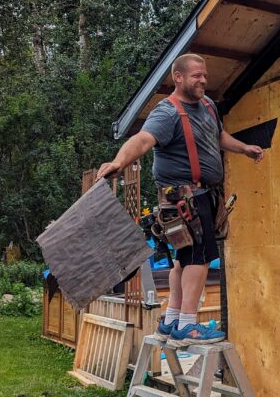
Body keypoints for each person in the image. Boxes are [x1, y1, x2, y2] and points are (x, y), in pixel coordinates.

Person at [96, 53, 263, 347]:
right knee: (199, 257)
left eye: (205, 76)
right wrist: (118, 163)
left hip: (202, 196)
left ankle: (172, 319)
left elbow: (219, 136)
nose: (203, 80)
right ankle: (188, 326)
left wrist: (244, 148)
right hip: (185, 198)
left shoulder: (208, 106)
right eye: (196, 75)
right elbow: (143, 139)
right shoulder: (168, 112)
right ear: (179, 77)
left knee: (182, 260)